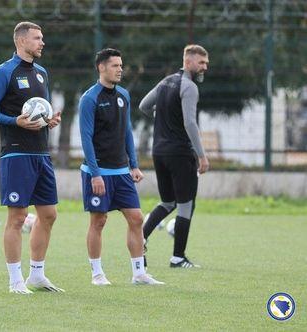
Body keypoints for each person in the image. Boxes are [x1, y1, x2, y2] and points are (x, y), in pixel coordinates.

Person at [0, 22, 63, 294]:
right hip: (16, 152)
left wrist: (49, 121)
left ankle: (36, 275)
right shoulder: (4, 72)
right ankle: (15, 280)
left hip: (41, 152)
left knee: (49, 214)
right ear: (21, 41)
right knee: (17, 217)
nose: (42, 43)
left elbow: (42, 109)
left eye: (42, 37)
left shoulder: (41, 73)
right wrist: (15, 121)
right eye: (37, 38)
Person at [78, 48, 164, 286]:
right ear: (101, 68)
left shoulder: (123, 95)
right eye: (115, 65)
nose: (120, 70)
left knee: (136, 218)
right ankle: (97, 273)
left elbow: (126, 131)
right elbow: (86, 138)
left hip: (121, 172)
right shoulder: (89, 99)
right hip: (98, 173)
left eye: (121, 65)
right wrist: (95, 174)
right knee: (99, 221)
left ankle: (138, 273)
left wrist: (133, 165)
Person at [139, 44, 210, 268]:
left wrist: (162, 119)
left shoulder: (165, 82)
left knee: (167, 202)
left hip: (159, 151)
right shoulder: (189, 87)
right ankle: (178, 257)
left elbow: (143, 106)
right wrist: (202, 155)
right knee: (186, 204)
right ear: (187, 62)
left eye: (206, 64)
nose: (204, 68)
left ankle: (139, 239)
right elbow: (190, 122)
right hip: (180, 153)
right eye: (201, 63)